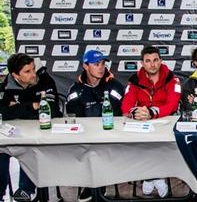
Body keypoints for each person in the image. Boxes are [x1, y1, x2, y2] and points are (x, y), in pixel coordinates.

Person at [121, 46, 181, 198]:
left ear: (161, 61)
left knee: (161, 143)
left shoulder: (172, 79)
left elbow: (172, 104)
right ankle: (152, 177)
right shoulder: (134, 80)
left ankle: (154, 176)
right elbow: (126, 105)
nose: (152, 64)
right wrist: (135, 112)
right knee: (140, 144)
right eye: (148, 61)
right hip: (142, 122)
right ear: (142, 63)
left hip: (165, 121)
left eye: (155, 60)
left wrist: (153, 112)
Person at [65, 50, 124, 201]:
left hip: (111, 136)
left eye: (103, 64)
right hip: (86, 137)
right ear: (85, 66)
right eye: (96, 64)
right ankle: (94, 186)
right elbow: (74, 116)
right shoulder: (76, 89)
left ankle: (95, 186)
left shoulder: (115, 86)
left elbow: (118, 115)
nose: (101, 67)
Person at [0, 53, 60, 201]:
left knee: (31, 147)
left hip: (42, 132)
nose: (33, 74)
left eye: (33, 69)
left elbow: (51, 110)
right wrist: (32, 106)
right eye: (27, 71)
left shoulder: (44, 79)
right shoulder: (5, 85)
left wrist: (18, 108)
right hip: (15, 132)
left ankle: (26, 190)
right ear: (15, 75)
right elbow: (3, 112)